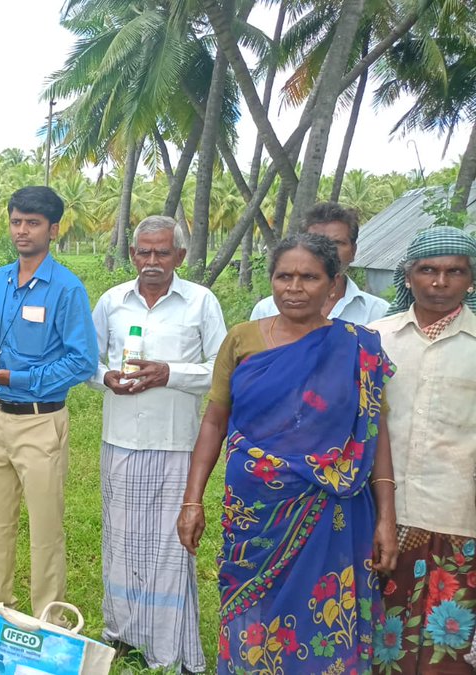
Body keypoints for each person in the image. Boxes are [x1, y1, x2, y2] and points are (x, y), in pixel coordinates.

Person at [178, 233, 398, 673]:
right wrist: (191, 499)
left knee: (326, 617)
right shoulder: (242, 340)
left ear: (334, 284)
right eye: (284, 276)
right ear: (272, 280)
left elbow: (375, 434)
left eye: (309, 277)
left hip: (332, 509)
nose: (294, 287)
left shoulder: (359, 347)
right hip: (255, 509)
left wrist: (386, 518)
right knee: (249, 612)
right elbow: (214, 421)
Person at [88, 215, 225, 673]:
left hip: (175, 443)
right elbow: (86, 360)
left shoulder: (201, 302)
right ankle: (123, 635)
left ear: (180, 257)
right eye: (143, 252)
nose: (151, 261)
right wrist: (105, 377)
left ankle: (172, 647)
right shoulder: (112, 302)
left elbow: (221, 370)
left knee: (170, 546)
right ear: (132, 255)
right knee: (122, 542)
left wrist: (170, 373)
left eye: (162, 252)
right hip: (121, 440)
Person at [0, 186, 97, 619]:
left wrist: (18, 377)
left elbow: (81, 362)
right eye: (16, 221)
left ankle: (47, 618)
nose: (22, 230)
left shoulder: (67, 289)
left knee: (45, 528)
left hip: (40, 422)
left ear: (53, 230)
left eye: (32, 223)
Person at [369, 226, 476, 672]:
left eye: (455, 272)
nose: (439, 282)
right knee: (376, 643)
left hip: (458, 517)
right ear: (407, 275)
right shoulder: (374, 337)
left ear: (470, 280)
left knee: (446, 653)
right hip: (377, 515)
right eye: (427, 270)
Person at [251, 202, 389, 324]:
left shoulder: (378, 313)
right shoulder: (266, 311)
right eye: (316, 242)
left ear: (353, 251)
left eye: (337, 243)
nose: (328, 251)